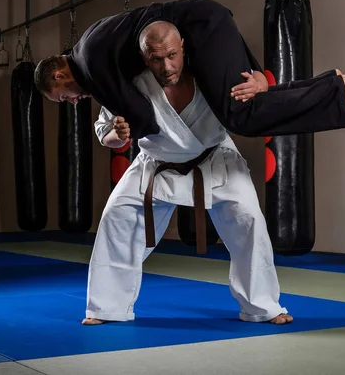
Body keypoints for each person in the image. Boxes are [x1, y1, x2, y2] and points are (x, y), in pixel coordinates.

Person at [84, 21, 293, 327]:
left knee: (248, 219)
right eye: (156, 59)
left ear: (182, 46)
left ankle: (262, 307)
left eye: (171, 55)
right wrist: (118, 135)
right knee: (117, 218)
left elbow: (257, 81)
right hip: (157, 161)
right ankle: (106, 308)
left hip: (215, 157)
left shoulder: (212, 71)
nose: (166, 66)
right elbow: (106, 134)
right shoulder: (129, 85)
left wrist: (261, 82)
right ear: (144, 57)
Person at [34, 0, 345, 141]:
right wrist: (256, 73)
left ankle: (334, 89)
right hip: (207, 20)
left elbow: (144, 118)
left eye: (63, 98)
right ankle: (333, 86)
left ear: (60, 75)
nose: (72, 102)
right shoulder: (89, 43)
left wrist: (124, 132)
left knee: (241, 116)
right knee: (249, 95)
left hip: (199, 32)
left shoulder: (91, 67)